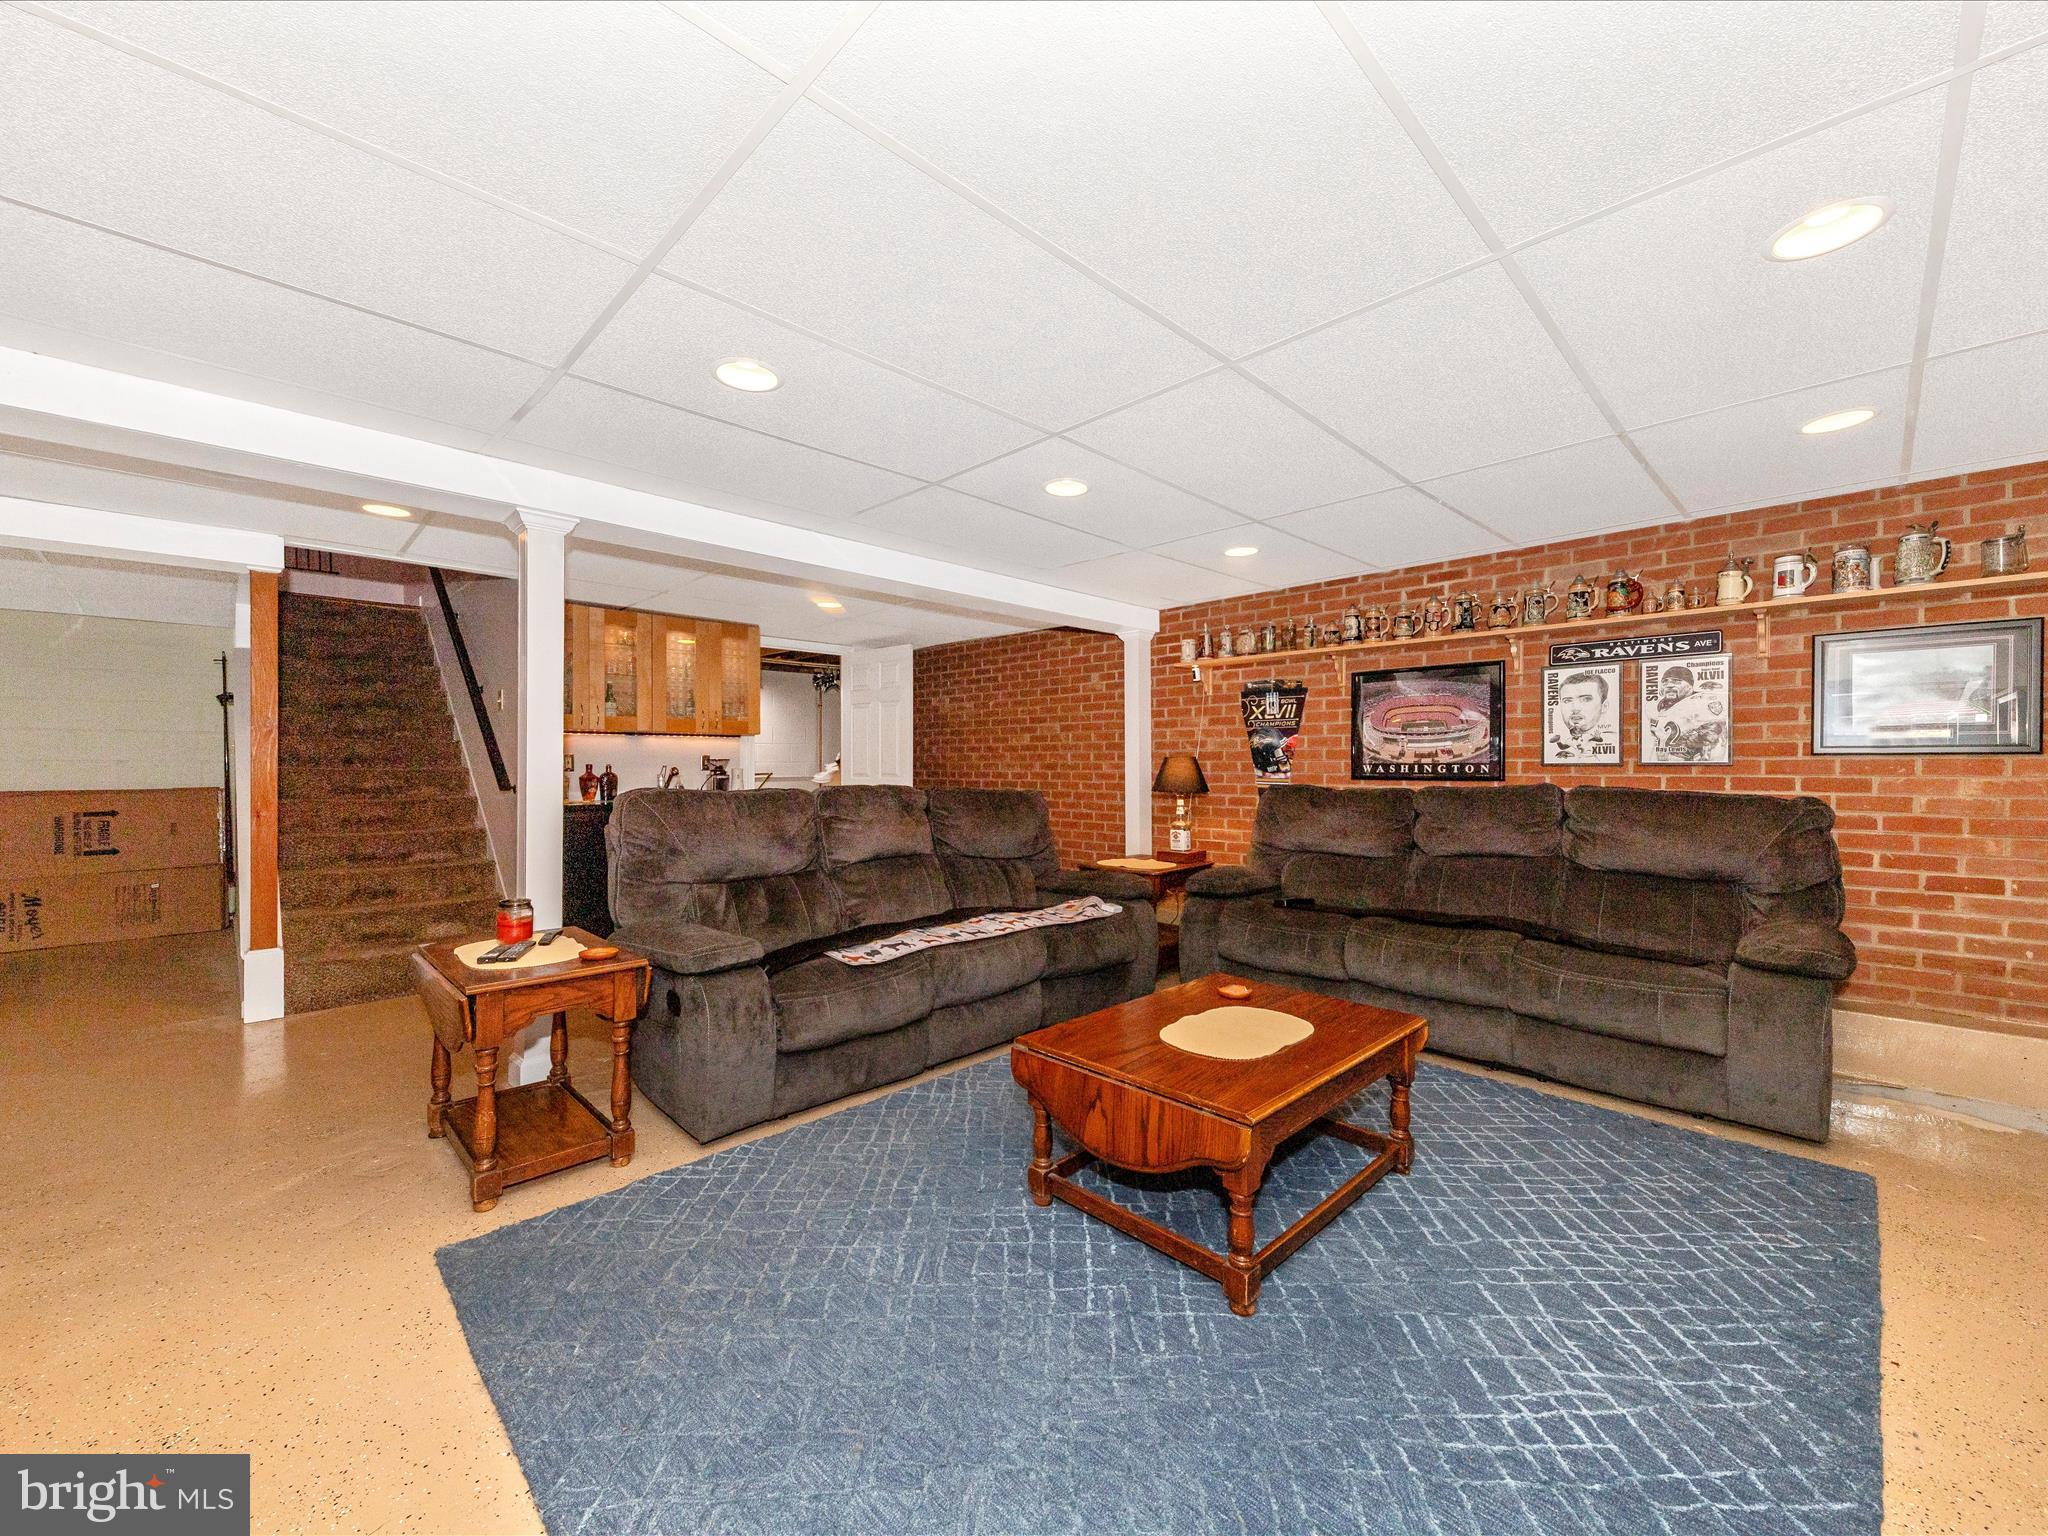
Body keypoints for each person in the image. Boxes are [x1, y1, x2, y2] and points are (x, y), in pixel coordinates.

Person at [1647, 664, 1728, 761]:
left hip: (1692, 761)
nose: (1669, 685)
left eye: (1676, 681)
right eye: (1665, 682)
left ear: (1690, 686)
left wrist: (1695, 740)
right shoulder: (1655, 706)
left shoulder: (1702, 701)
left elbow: (1714, 733)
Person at [1547, 670, 1615, 760]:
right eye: (1567, 700)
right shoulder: (1569, 740)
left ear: (1604, 706)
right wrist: (1558, 741)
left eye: (1586, 699)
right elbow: (1563, 747)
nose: (1575, 708)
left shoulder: (1613, 738)